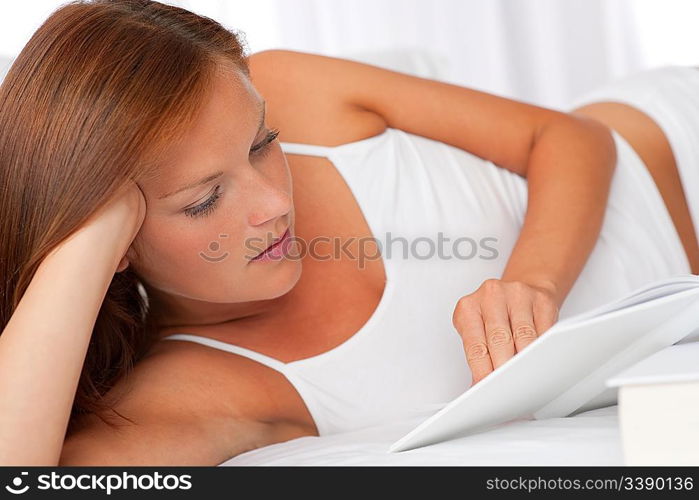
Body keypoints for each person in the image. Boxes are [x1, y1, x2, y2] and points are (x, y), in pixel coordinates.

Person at [1, 0, 698, 466]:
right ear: (111, 245)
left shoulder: (290, 82)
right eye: (205, 199)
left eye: (261, 142)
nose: (273, 202)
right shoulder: (200, 387)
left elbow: (567, 135)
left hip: (674, 140)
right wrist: (90, 232)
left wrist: (532, 279)